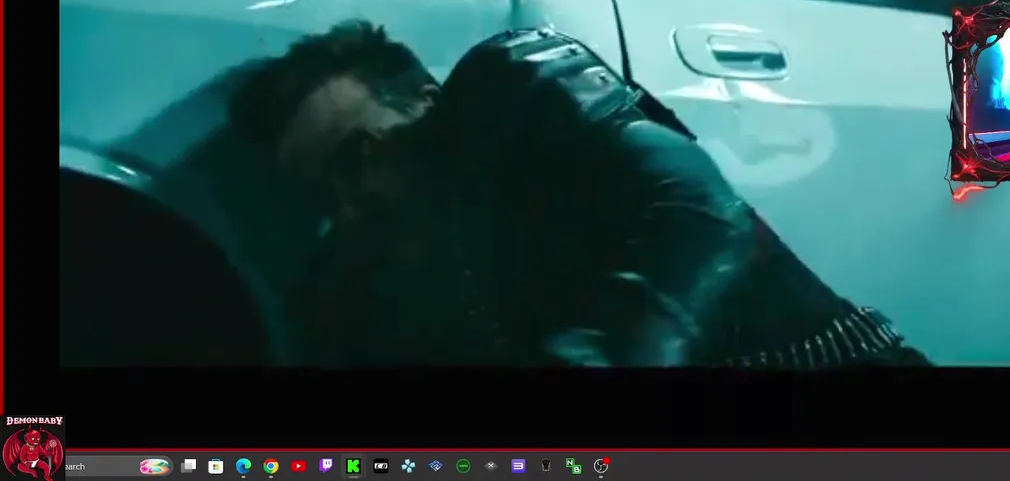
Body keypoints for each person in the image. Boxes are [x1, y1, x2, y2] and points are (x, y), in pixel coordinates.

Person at [230, 21, 929, 368]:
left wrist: (619, 343)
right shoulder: (375, 282)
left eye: (358, 156)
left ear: (425, 102)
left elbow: (699, 205)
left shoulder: (511, 90)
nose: (352, 201)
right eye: (325, 192)